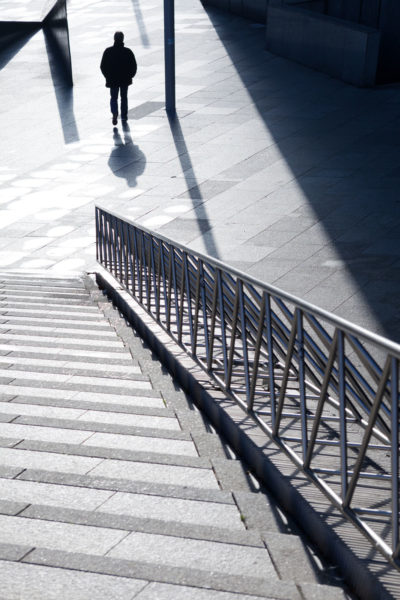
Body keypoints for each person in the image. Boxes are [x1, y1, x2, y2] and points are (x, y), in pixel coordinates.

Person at [100, 31, 137, 126]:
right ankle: (124, 115)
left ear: (114, 39)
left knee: (113, 97)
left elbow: (102, 66)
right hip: (125, 79)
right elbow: (134, 66)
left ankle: (115, 113)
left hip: (113, 80)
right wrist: (130, 76)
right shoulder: (128, 52)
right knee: (124, 97)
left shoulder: (108, 51)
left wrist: (107, 76)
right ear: (123, 39)